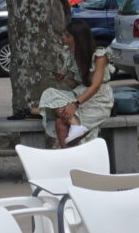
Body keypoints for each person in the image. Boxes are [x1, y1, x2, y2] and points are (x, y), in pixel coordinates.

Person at [37, 16, 114, 150]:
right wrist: (65, 79)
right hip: (80, 93)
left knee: (61, 121)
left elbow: (95, 86)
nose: (64, 40)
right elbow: (75, 85)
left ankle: (77, 133)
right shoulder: (74, 56)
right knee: (51, 97)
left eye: (67, 37)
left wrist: (75, 104)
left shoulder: (99, 55)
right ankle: (75, 129)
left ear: (78, 38)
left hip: (98, 99)